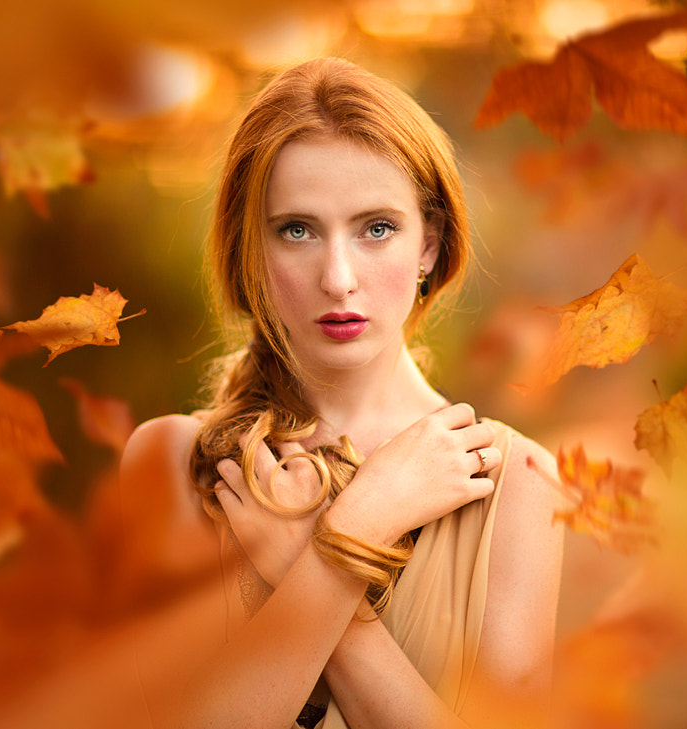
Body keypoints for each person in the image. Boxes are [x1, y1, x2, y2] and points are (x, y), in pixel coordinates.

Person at [120, 57, 564, 729]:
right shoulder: (170, 463)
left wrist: (315, 557)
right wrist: (353, 536)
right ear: (251, 249)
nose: (338, 277)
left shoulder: (518, 481)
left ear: (430, 243)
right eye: (296, 229)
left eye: (376, 228)